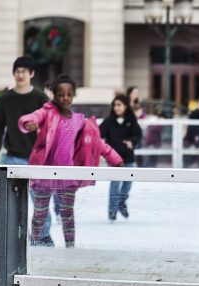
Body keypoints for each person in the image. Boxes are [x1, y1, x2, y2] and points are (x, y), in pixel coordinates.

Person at [18, 74, 123, 248]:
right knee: (40, 214)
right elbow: (34, 116)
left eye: (68, 94)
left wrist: (115, 159)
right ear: (54, 95)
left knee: (67, 214)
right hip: (45, 174)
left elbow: (96, 142)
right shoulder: (47, 113)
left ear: (73, 95)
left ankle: (70, 248)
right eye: (60, 94)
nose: (65, 98)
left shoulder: (79, 120)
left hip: (68, 175)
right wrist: (29, 123)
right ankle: (34, 245)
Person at [0, 56, 55, 244]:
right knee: (11, 205)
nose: (20, 75)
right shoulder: (5, 100)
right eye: (17, 71)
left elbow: (51, 127)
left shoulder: (40, 98)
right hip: (12, 159)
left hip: (37, 160)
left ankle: (42, 237)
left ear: (31, 74)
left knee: (41, 203)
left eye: (24, 71)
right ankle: (12, 238)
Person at [99, 94, 142, 222]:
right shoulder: (108, 121)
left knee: (128, 182)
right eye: (115, 105)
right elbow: (98, 134)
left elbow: (138, 135)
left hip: (128, 157)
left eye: (119, 105)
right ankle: (112, 211)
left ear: (125, 106)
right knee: (115, 183)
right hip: (114, 159)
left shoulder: (131, 120)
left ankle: (121, 202)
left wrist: (132, 142)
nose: (117, 108)